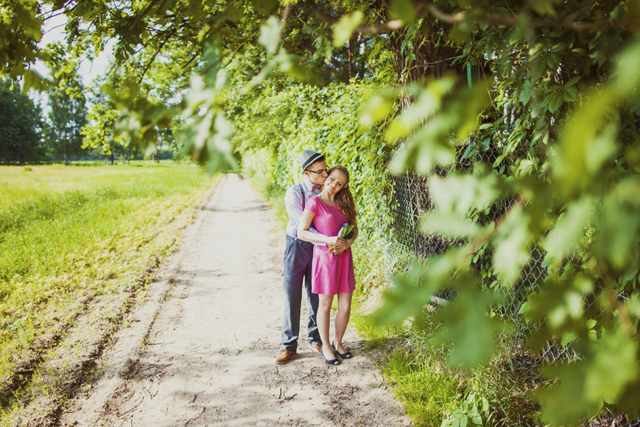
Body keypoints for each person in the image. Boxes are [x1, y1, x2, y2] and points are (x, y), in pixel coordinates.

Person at [276, 149, 345, 363]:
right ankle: (289, 346)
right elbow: (300, 227)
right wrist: (329, 238)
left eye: (326, 170)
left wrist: (336, 239)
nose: (325, 175)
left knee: (316, 293)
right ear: (307, 172)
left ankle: (316, 339)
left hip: (320, 248)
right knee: (292, 294)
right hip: (297, 246)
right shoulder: (294, 193)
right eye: (320, 172)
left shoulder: (327, 191)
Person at [297, 165, 358, 365]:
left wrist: (347, 243)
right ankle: (326, 346)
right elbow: (302, 232)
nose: (333, 185)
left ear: (344, 186)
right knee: (325, 305)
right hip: (325, 258)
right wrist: (327, 240)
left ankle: (339, 343)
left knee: (346, 306)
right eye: (332, 179)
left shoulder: (345, 202)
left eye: (339, 183)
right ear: (327, 177)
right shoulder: (315, 203)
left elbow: (355, 229)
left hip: (344, 258)